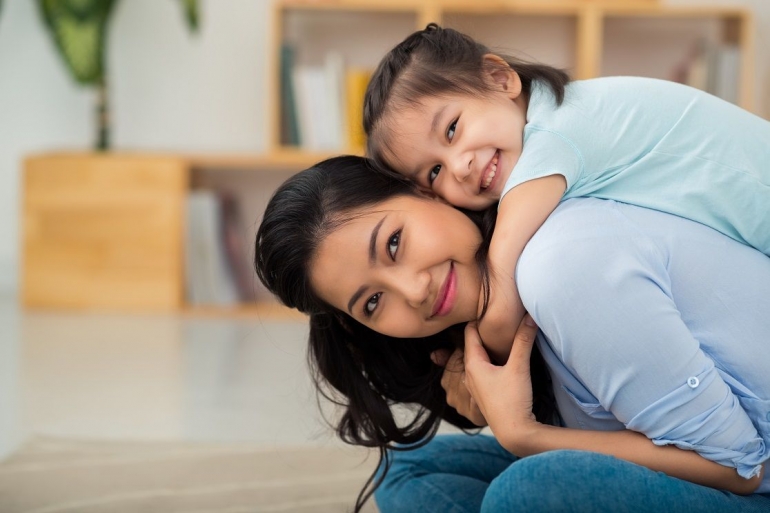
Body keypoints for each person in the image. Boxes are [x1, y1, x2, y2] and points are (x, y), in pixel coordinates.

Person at [254, 156, 770, 512]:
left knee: (525, 495)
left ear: (423, 188)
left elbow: (738, 467)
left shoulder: (564, 267)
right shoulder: (492, 317)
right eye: (372, 302)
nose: (412, 291)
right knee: (409, 474)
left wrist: (526, 436)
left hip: (752, 475)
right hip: (700, 458)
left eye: (393, 244)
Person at [362, 23, 770, 365]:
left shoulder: (560, 131)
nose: (459, 167)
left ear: (498, 79)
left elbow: (501, 301)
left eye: (452, 129)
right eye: (434, 172)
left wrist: (482, 360)